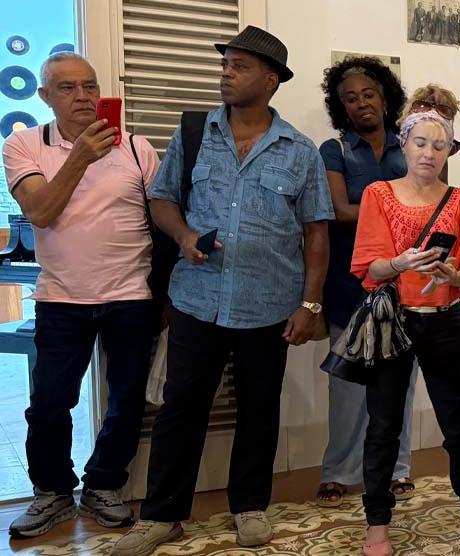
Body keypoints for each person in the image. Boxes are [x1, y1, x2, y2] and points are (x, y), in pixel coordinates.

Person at [111, 26, 333, 556]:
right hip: (197, 299)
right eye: (225, 64)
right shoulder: (193, 134)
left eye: (240, 66)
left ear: (271, 80)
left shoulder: (300, 151)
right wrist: (184, 235)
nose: (226, 74)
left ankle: (250, 506)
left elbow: (317, 233)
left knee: (259, 408)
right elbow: (162, 199)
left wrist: (310, 303)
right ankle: (163, 514)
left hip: (269, 303)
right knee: (180, 407)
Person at [1, 52, 158, 538]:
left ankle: (104, 486)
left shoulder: (136, 148)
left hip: (132, 295)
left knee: (128, 399)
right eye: (67, 88)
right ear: (45, 96)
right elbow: (41, 212)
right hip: (62, 297)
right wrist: (81, 157)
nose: (83, 96)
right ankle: (52, 493)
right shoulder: (23, 144)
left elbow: (163, 221)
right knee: (49, 401)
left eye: (90, 86)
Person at [353, 111, 460, 555]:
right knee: (383, 424)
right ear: (404, 145)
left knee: (457, 423)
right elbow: (369, 266)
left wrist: (454, 272)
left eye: (439, 145)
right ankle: (377, 522)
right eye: (420, 143)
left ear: (449, 151)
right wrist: (400, 263)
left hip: (445, 318)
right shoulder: (378, 194)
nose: (429, 153)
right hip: (394, 318)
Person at [314, 56, 410, 509]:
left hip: (405, 284)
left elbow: (434, 209)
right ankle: (339, 471)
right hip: (348, 283)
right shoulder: (333, 150)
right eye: (349, 99)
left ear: (385, 97)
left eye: (368, 94)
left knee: (400, 381)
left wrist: (375, 217)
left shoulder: (412, 146)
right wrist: (398, 215)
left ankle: (398, 469)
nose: (360, 104)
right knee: (347, 384)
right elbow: (335, 210)